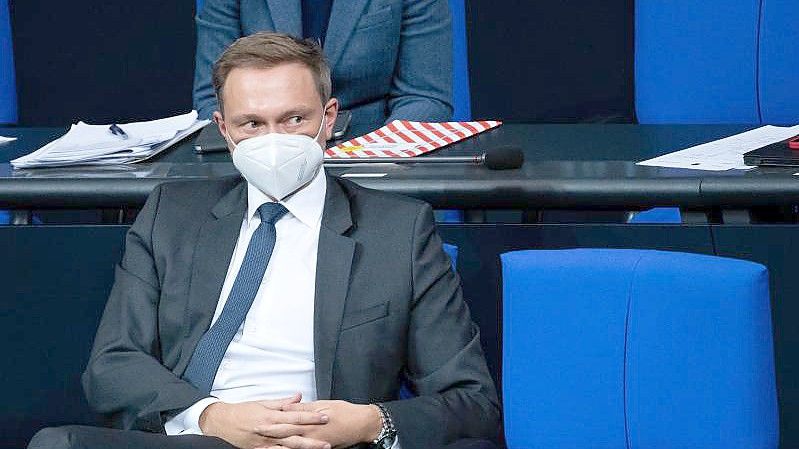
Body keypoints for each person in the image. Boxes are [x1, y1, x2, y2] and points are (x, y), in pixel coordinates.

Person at [28, 33, 498, 449]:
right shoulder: (171, 215)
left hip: (324, 443)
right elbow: (112, 365)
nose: (274, 139)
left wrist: (367, 423)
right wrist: (214, 418)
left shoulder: (398, 228)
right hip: (202, 437)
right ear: (224, 130)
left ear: (329, 118)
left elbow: (471, 401)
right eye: (252, 123)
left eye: (294, 119)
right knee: (57, 444)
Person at [193, 0, 453, 139]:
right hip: (262, 152)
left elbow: (425, 97)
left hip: (370, 160)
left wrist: (378, 154)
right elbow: (213, 96)